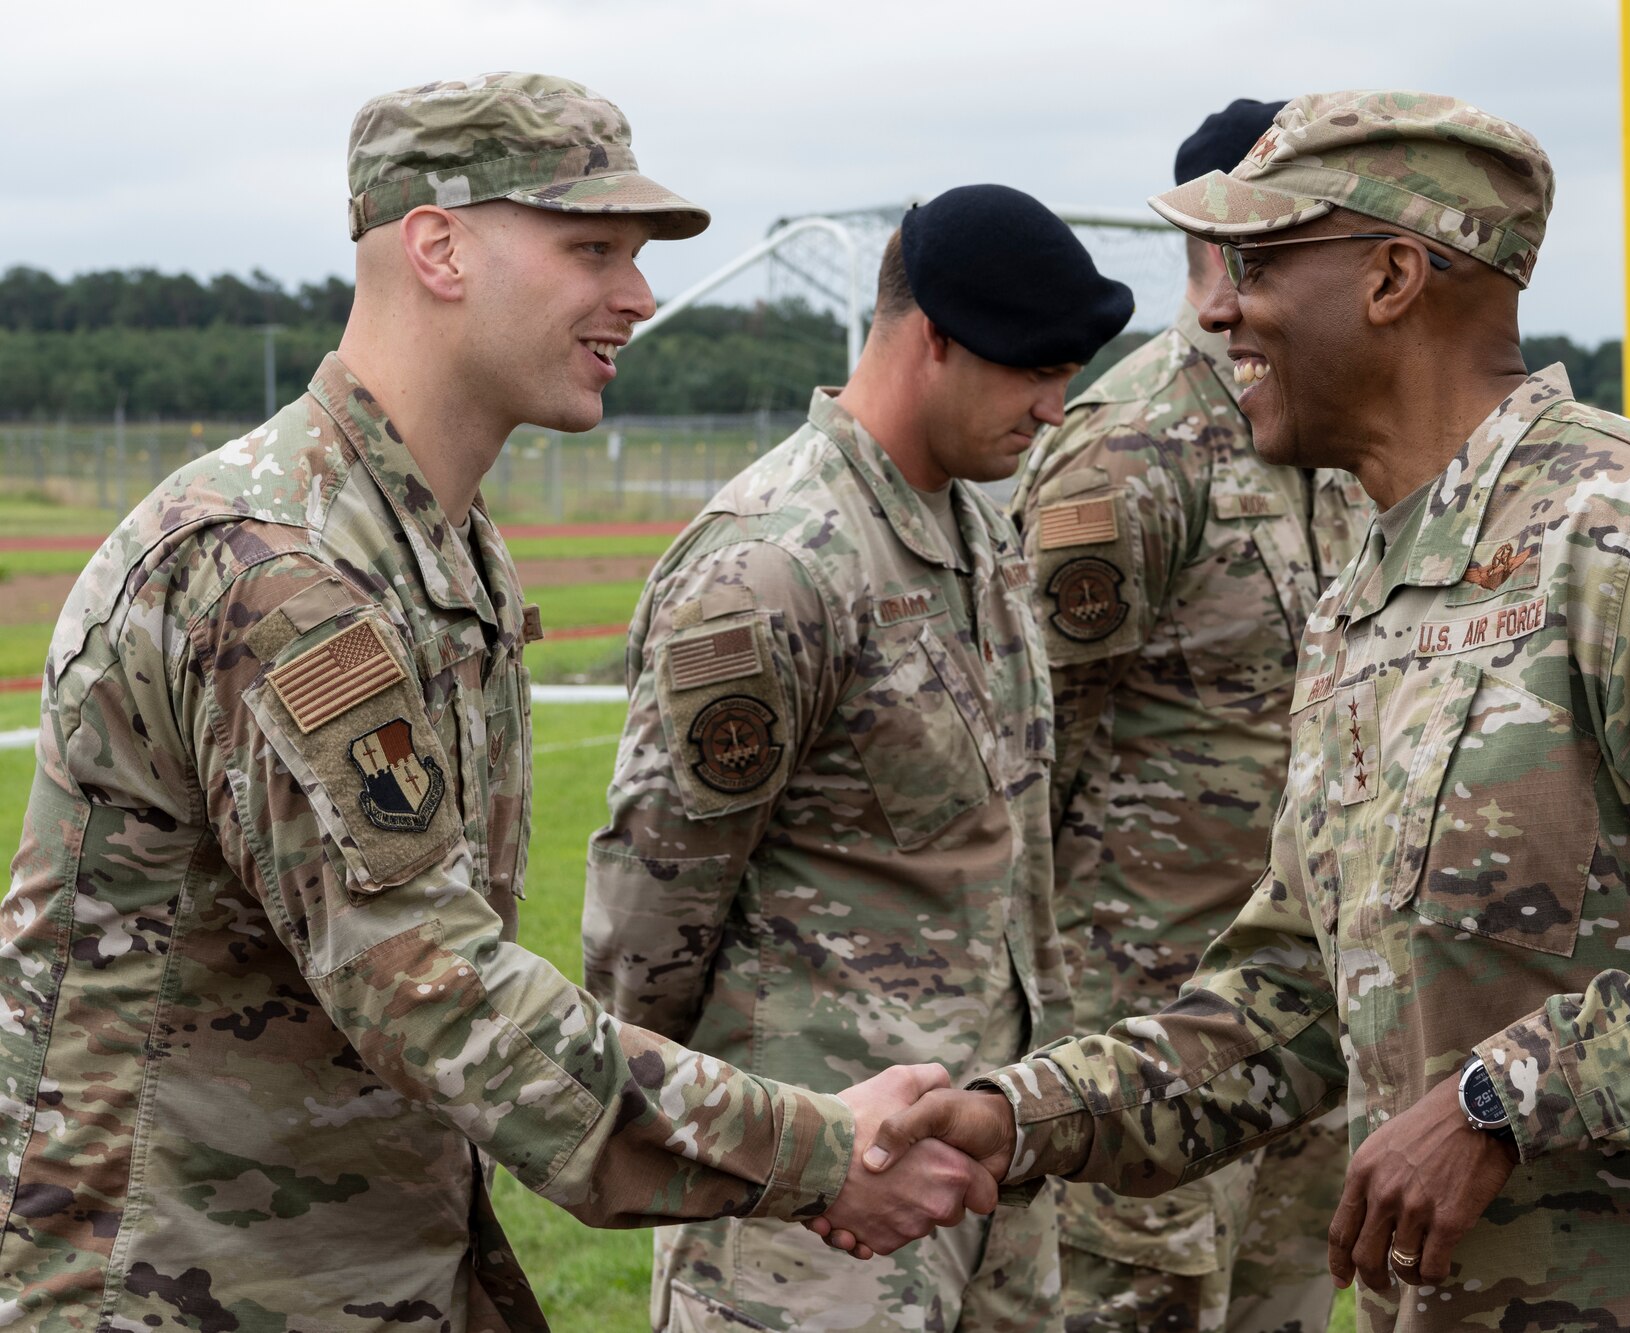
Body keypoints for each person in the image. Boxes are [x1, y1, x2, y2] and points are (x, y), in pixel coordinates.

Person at [856, 91, 1630, 1333]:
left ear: (1391, 278)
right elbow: (1292, 997)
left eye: (1258, 261)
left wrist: (1507, 1100)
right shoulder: (1371, 588)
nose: (1217, 306)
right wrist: (1022, 1116)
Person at [0, 73, 991, 1331]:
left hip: (353, 1257)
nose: (635, 297)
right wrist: (809, 1148)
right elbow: (434, 990)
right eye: (591, 249)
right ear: (439, 246)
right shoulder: (276, 569)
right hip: (175, 1281)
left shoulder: (444, 549)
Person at [582, 185, 1131, 1332]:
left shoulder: (974, 532)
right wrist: (728, 1149)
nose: (1054, 406)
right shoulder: (775, 563)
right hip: (812, 1209)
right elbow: (648, 919)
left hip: (984, 1167)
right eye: (1032, 369)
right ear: (930, 337)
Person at [1009, 97, 1370, 1333]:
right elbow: (1024, 748)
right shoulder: (1130, 454)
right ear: (1226, 244)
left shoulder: (1334, 435)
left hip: (1305, 1019)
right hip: (1141, 1025)